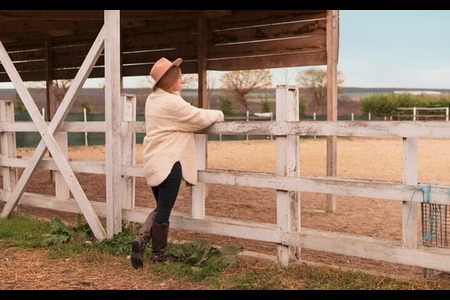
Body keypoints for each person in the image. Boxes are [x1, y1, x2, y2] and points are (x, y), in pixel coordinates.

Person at [130, 57, 225, 269]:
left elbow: (183, 112)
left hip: (154, 161)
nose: (182, 80)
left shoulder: (154, 99)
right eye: (179, 77)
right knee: (164, 211)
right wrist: (218, 113)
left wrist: (176, 92)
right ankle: (152, 248)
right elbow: (196, 117)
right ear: (170, 79)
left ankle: (147, 245)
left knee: (160, 207)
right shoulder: (172, 103)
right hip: (169, 162)